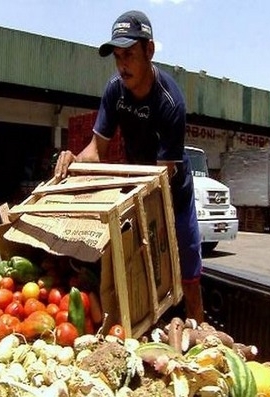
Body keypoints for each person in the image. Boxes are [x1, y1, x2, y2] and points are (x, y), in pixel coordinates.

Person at [54, 10, 204, 323]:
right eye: (117, 57)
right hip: (137, 180)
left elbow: (164, 174)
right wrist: (74, 161)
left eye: (129, 55)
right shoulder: (115, 90)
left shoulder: (170, 102)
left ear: (149, 51)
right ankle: (145, 322)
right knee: (138, 261)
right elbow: (97, 149)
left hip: (171, 185)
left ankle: (198, 324)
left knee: (187, 261)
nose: (122, 65)